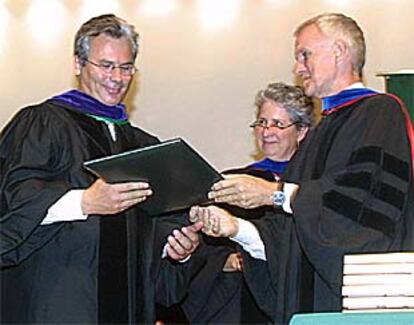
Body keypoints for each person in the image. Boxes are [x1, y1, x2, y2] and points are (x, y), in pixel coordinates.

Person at [190, 12, 414, 324]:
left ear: (338, 51)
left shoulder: (380, 112)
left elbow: (360, 211)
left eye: (304, 54)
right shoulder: (320, 133)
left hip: (357, 306)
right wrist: (237, 229)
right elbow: (291, 242)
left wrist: (275, 194)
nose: (297, 68)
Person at [0, 14, 203, 324]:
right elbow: (13, 198)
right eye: (106, 65)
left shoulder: (144, 146)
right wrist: (83, 202)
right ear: (78, 64)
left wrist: (177, 249)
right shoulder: (42, 124)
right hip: (57, 305)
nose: (117, 77)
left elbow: (153, 231)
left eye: (126, 67)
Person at [179, 82, 314, 324]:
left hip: (297, 303)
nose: (266, 132)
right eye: (262, 122)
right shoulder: (230, 184)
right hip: (237, 306)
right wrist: (226, 262)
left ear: (302, 131)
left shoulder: (309, 192)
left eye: (278, 124)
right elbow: (200, 249)